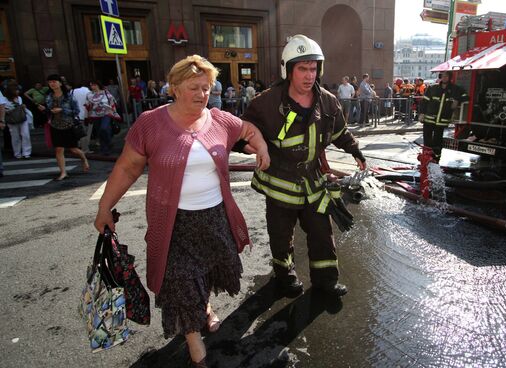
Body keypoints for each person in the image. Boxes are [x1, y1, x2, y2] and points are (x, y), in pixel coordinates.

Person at [93, 55, 269, 367]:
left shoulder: (219, 120)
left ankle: (204, 308)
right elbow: (126, 169)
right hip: (173, 223)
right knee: (181, 281)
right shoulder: (150, 123)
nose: (203, 94)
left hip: (215, 218)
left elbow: (248, 130)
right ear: (174, 87)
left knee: (203, 274)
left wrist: (263, 148)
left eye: (207, 87)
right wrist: (105, 207)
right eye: (194, 87)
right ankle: (195, 346)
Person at [241, 34, 366, 298]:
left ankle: (326, 282)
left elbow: (340, 132)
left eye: (313, 68)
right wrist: (257, 147)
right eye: (302, 69)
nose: (309, 75)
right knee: (280, 237)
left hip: (313, 183)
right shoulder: (265, 103)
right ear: (288, 70)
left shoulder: (329, 102)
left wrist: (355, 150)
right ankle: (285, 278)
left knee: (322, 233)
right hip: (280, 185)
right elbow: (240, 136)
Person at [38, 74, 89, 180]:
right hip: (55, 125)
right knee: (59, 149)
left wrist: (62, 110)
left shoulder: (69, 96)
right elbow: (48, 111)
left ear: (60, 83)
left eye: (54, 81)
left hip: (68, 125)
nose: (52, 84)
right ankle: (63, 172)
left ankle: (84, 159)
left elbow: (76, 111)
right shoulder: (48, 97)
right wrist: (45, 110)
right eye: (50, 82)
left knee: (73, 149)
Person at [420, 71, 468, 157]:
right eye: (443, 76)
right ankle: (426, 156)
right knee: (427, 139)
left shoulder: (455, 89)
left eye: (446, 76)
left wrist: (457, 100)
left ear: (450, 78)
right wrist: (421, 113)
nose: (444, 78)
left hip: (442, 120)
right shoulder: (432, 88)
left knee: (437, 140)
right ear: (440, 77)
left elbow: (466, 96)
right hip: (429, 119)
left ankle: (436, 157)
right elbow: (424, 102)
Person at [85, 80, 120, 156]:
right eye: (91, 85)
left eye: (94, 85)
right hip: (95, 115)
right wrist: (88, 115)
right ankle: (104, 149)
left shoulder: (105, 92)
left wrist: (114, 112)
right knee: (99, 132)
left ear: (98, 85)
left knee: (103, 128)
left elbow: (112, 101)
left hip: (106, 113)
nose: (92, 87)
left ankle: (109, 141)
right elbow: (88, 105)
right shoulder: (89, 94)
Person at [5, 84, 31, 159]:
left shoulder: (19, 98)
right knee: (15, 136)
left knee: (25, 135)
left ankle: (26, 152)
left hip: (21, 117)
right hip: (12, 119)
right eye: (16, 90)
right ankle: (17, 153)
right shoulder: (5, 100)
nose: (18, 91)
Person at [70, 81, 91, 152]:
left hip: (76, 115)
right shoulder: (88, 91)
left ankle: (80, 146)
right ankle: (85, 148)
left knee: (80, 132)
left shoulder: (72, 92)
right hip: (87, 114)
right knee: (87, 132)